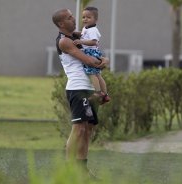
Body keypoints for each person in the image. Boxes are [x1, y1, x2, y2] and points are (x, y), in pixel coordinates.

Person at [52, 8, 109, 179]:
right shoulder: (64, 42)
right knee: (78, 129)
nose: (74, 19)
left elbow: (94, 48)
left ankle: (82, 171)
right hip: (77, 89)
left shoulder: (77, 36)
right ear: (61, 24)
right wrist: (103, 61)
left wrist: (104, 59)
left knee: (88, 129)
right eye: (69, 18)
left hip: (89, 87)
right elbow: (89, 60)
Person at [73, 7, 110, 103]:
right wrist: (77, 34)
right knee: (98, 75)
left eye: (88, 17)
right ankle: (105, 94)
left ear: (95, 20)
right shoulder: (86, 28)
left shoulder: (93, 30)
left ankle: (98, 93)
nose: (85, 19)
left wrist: (80, 41)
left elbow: (94, 42)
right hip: (92, 52)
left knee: (92, 74)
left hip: (91, 52)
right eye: (83, 17)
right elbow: (83, 34)